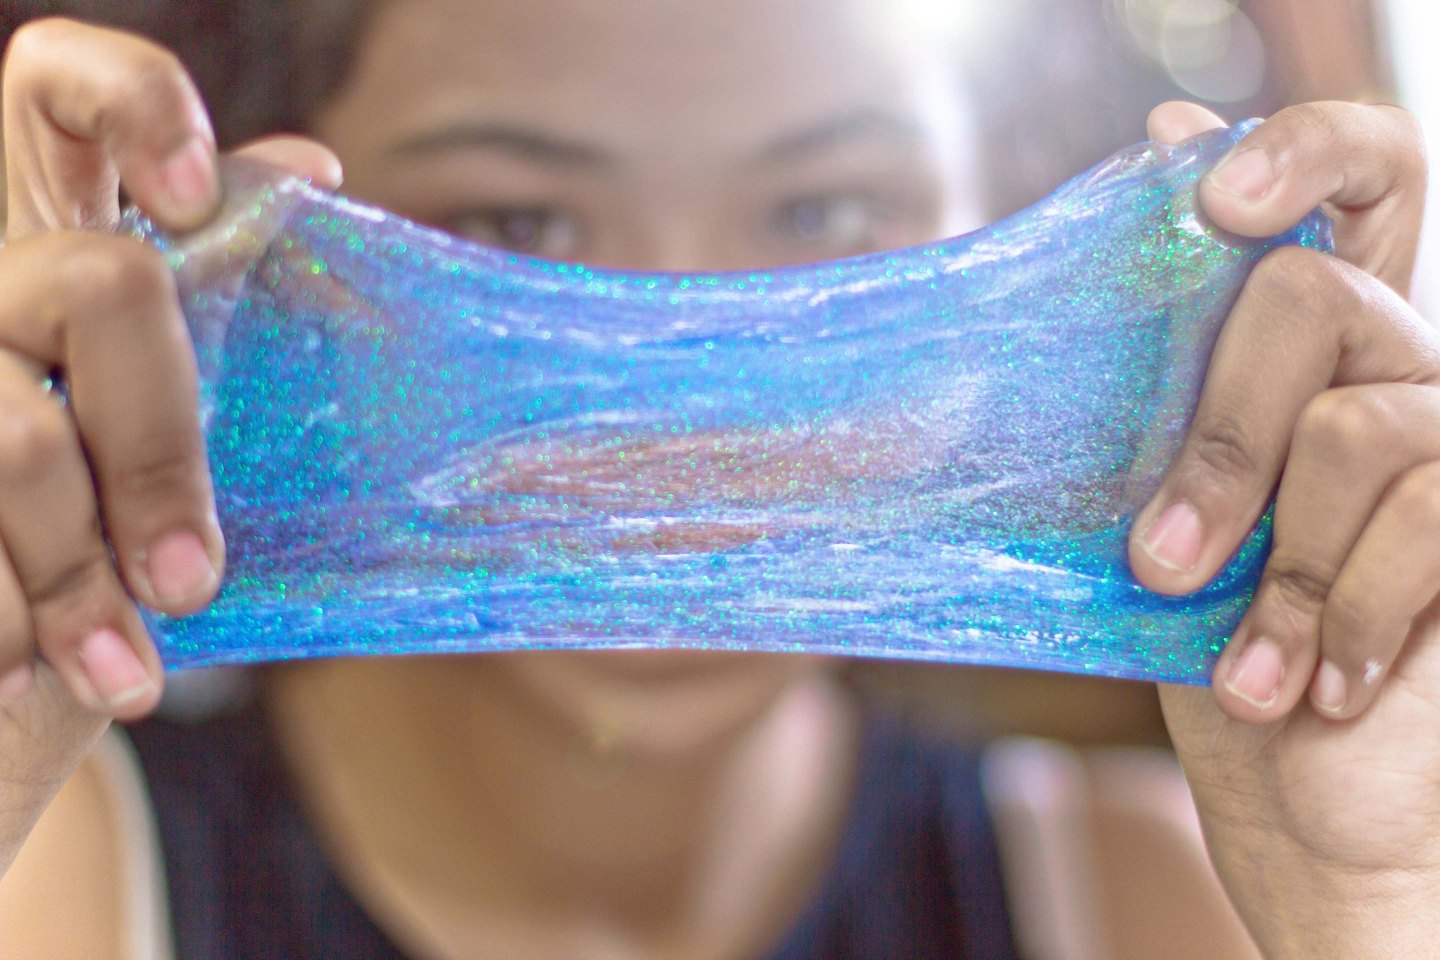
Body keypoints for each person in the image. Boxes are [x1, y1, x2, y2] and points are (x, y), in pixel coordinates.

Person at [0, 2, 1433, 958]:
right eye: (516, 217)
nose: (683, 424)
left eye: (824, 211)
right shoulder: (54, 887)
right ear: (260, 264)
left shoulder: (1155, 909)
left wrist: (1374, 908)